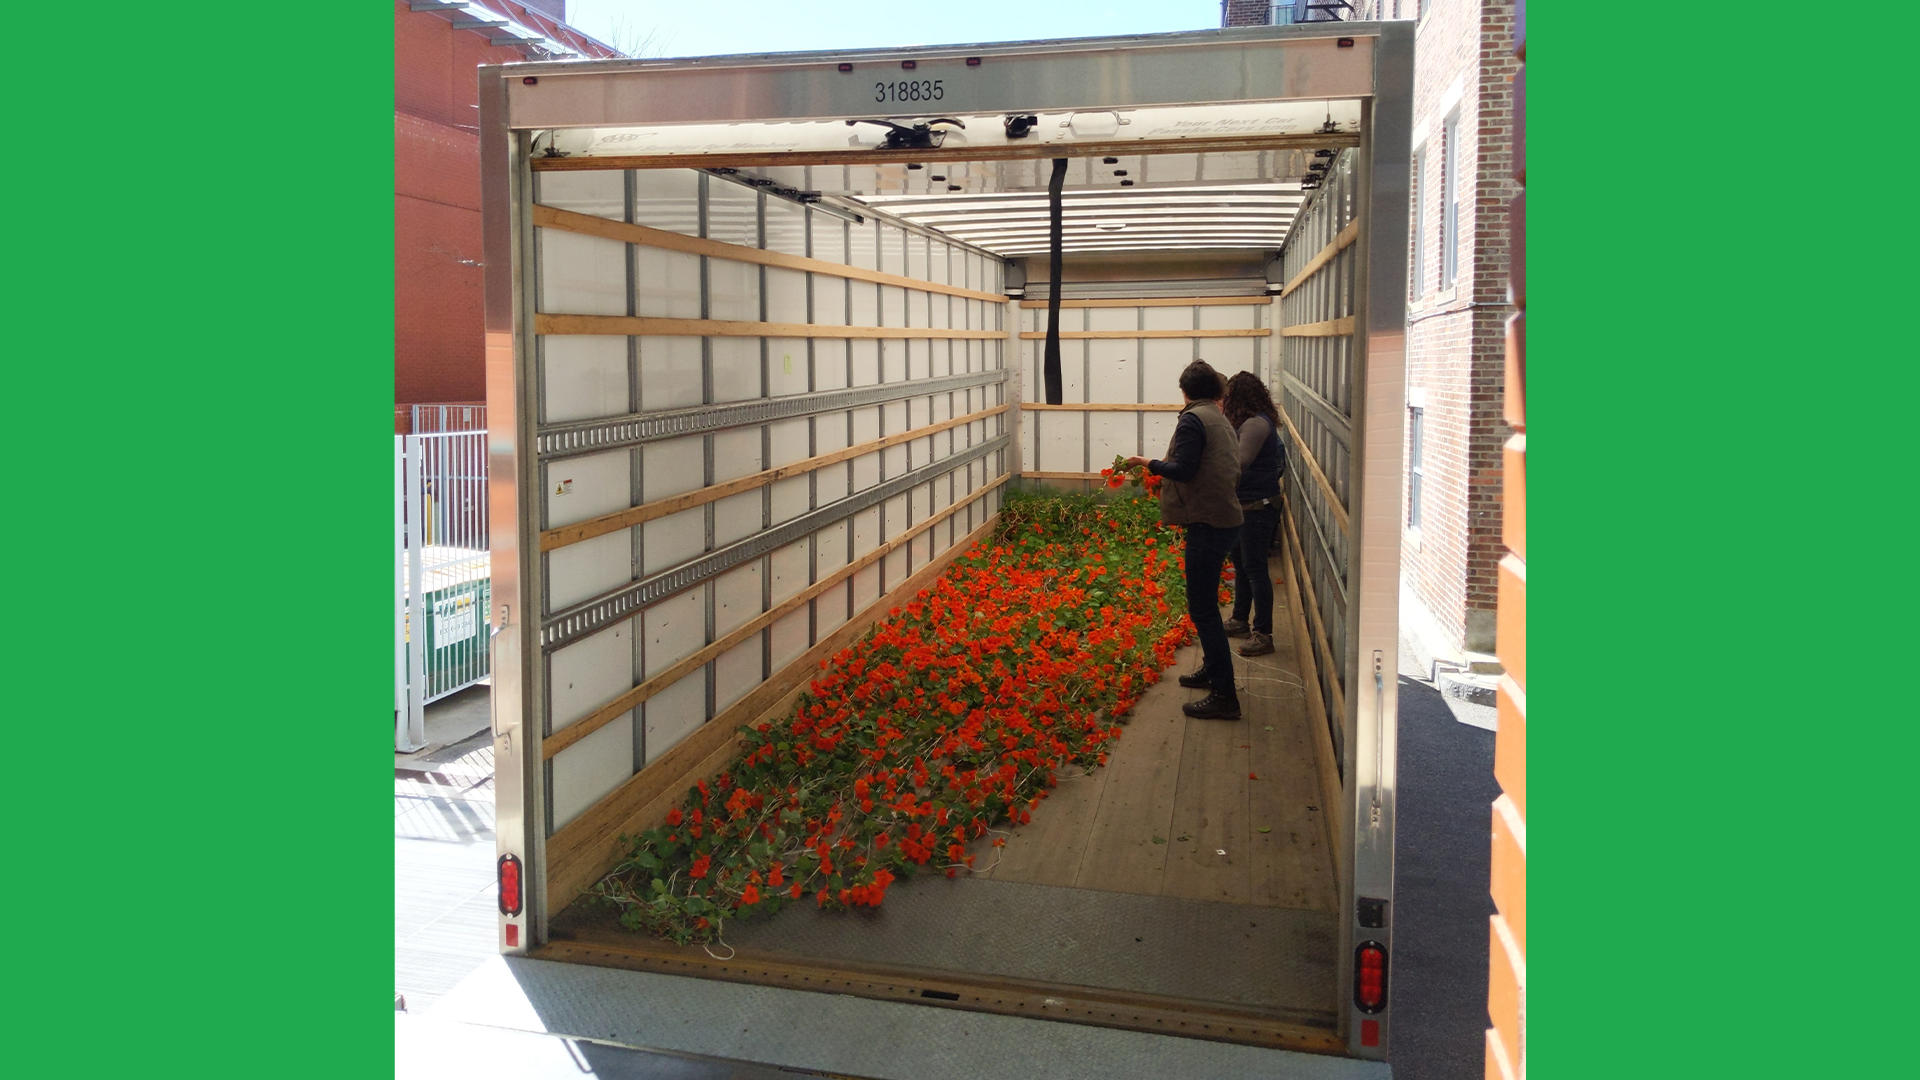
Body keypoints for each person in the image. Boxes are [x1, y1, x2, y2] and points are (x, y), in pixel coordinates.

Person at [1124, 361, 1244, 720]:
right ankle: (1212, 670)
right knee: (1205, 606)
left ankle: (1225, 696)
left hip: (1209, 523)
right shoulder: (1219, 417)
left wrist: (1149, 464)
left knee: (1203, 609)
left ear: (1186, 391)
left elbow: (1185, 469)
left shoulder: (1193, 419)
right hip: (1224, 518)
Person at [1220, 371, 1286, 658]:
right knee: (1243, 565)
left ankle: (1263, 633)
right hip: (1245, 506)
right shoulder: (1252, 422)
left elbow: (1239, 462)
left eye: (1228, 396)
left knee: (1256, 569)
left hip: (1258, 508)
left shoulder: (1256, 425)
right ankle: (1239, 620)